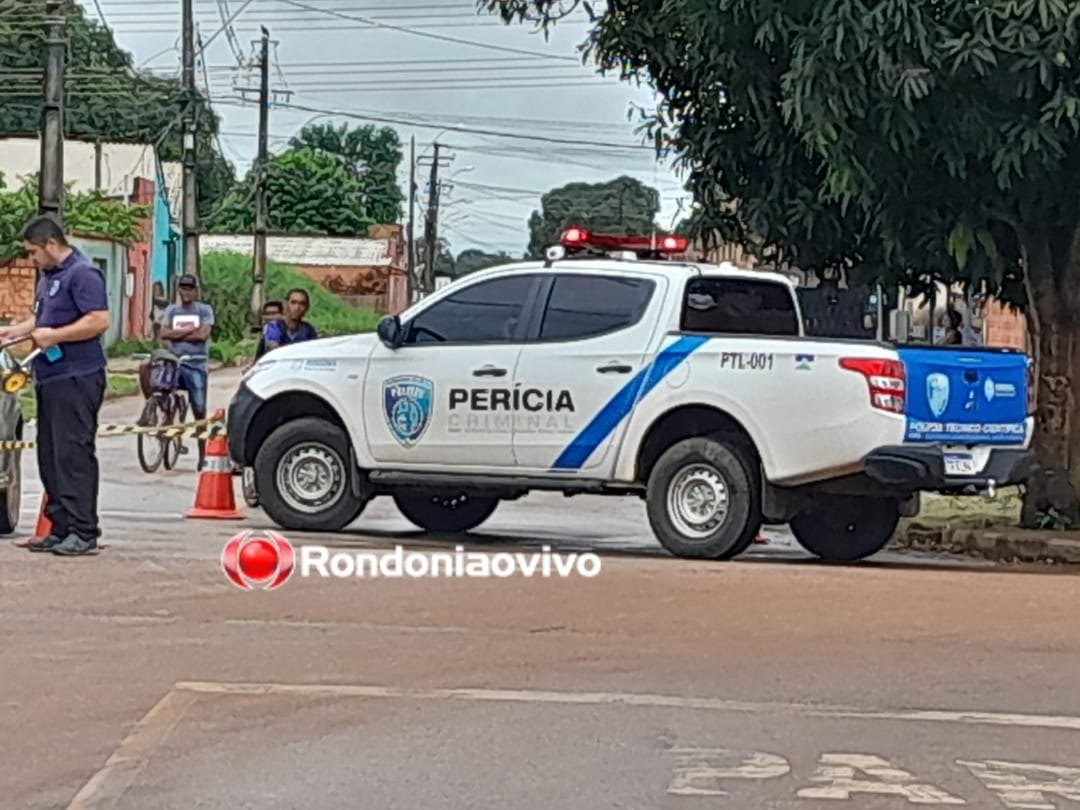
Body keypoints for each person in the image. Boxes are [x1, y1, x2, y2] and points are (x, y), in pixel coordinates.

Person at [0, 216, 110, 556]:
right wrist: (16, 332)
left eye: (33, 252)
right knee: (50, 454)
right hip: (49, 377)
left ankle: (83, 529)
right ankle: (59, 526)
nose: (31, 260)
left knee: (73, 453)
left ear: (50, 244)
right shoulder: (50, 278)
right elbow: (46, 319)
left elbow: (98, 320)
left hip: (76, 376)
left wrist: (55, 337)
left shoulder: (83, 274)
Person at [158, 274, 215, 468]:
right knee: (156, 382)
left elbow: (203, 335)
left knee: (199, 409)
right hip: (174, 362)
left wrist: (177, 336)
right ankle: (159, 421)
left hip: (196, 363)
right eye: (183, 288)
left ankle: (202, 455)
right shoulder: (171, 310)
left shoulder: (204, 310)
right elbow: (163, 333)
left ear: (196, 290)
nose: (186, 291)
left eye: (190, 288)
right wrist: (190, 332)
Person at [261, 287, 318, 352]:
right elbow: (274, 351)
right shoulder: (274, 326)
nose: (297, 308)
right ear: (285, 304)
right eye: (293, 303)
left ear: (307, 308)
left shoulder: (308, 330)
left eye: (302, 304)